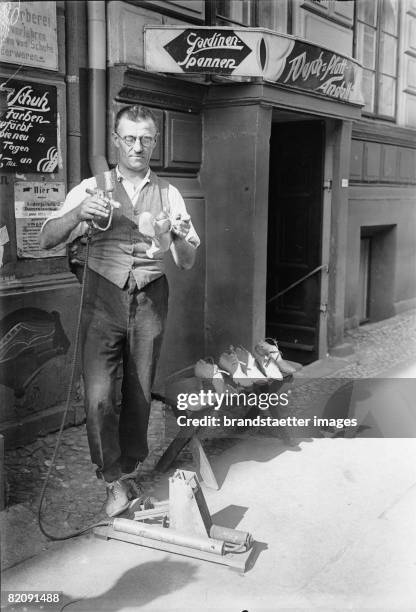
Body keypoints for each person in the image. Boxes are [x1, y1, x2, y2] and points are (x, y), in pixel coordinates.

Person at [40, 105, 199, 517]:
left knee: (139, 393)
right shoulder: (92, 187)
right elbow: (45, 238)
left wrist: (178, 235)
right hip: (101, 297)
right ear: (116, 140)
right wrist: (78, 214)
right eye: (129, 138)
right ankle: (111, 480)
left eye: (146, 139)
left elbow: (185, 262)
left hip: (150, 297)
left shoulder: (170, 194)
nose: (137, 147)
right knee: (99, 397)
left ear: (155, 143)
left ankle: (127, 468)